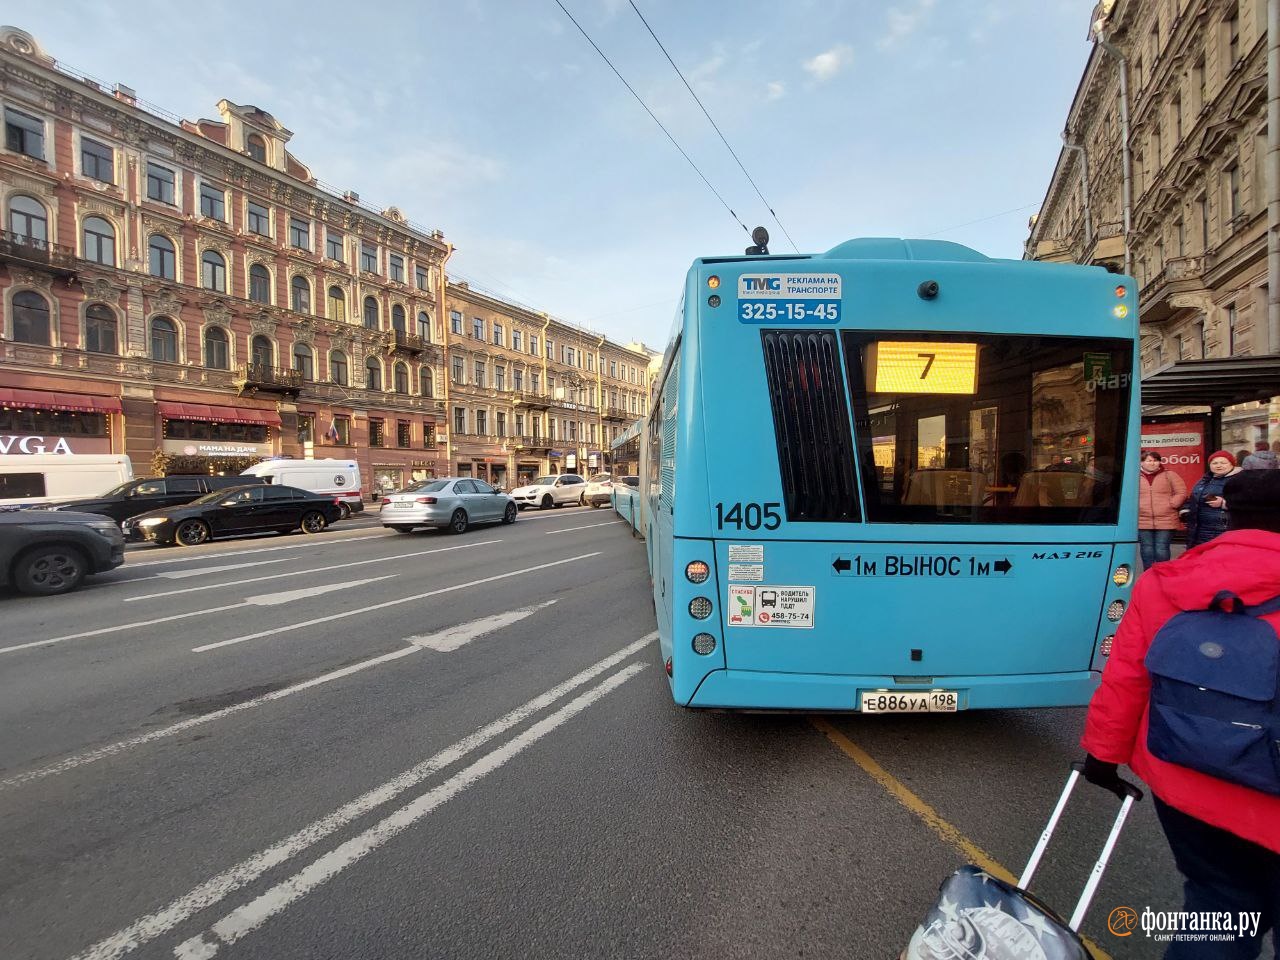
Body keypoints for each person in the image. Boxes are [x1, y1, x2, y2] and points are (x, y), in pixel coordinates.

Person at [1080, 470, 1280, 959]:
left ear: (1228, 513)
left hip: (1186, 777)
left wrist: (1102, 756)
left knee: (1217, 906)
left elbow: (1127, 675)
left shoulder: (1168, 582)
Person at [1180, 450, 1242, 548]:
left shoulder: (1240, 479)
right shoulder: (1205, 480)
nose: (1219, 465)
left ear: (1232, 464)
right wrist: (1185, 510)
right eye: (1215, 463)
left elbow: (1247, 502)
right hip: (1199, 529)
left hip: (1223, 529)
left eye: (1223, 463)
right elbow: (1194, 497)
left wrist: (1223, 503)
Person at [1137, 450, 1187, 566]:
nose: (1153, 463)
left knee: (1162, 549)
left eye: (1156, 460)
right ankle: (1149, 575)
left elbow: (1181, 492)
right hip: (1143, 519)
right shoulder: (1135, 476)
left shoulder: (1170, 475)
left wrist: (1172, 504)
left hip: (1166, 518)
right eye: (1149, 461)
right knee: (1146, 549)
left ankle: (1162, 573)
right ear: (1141, 462)